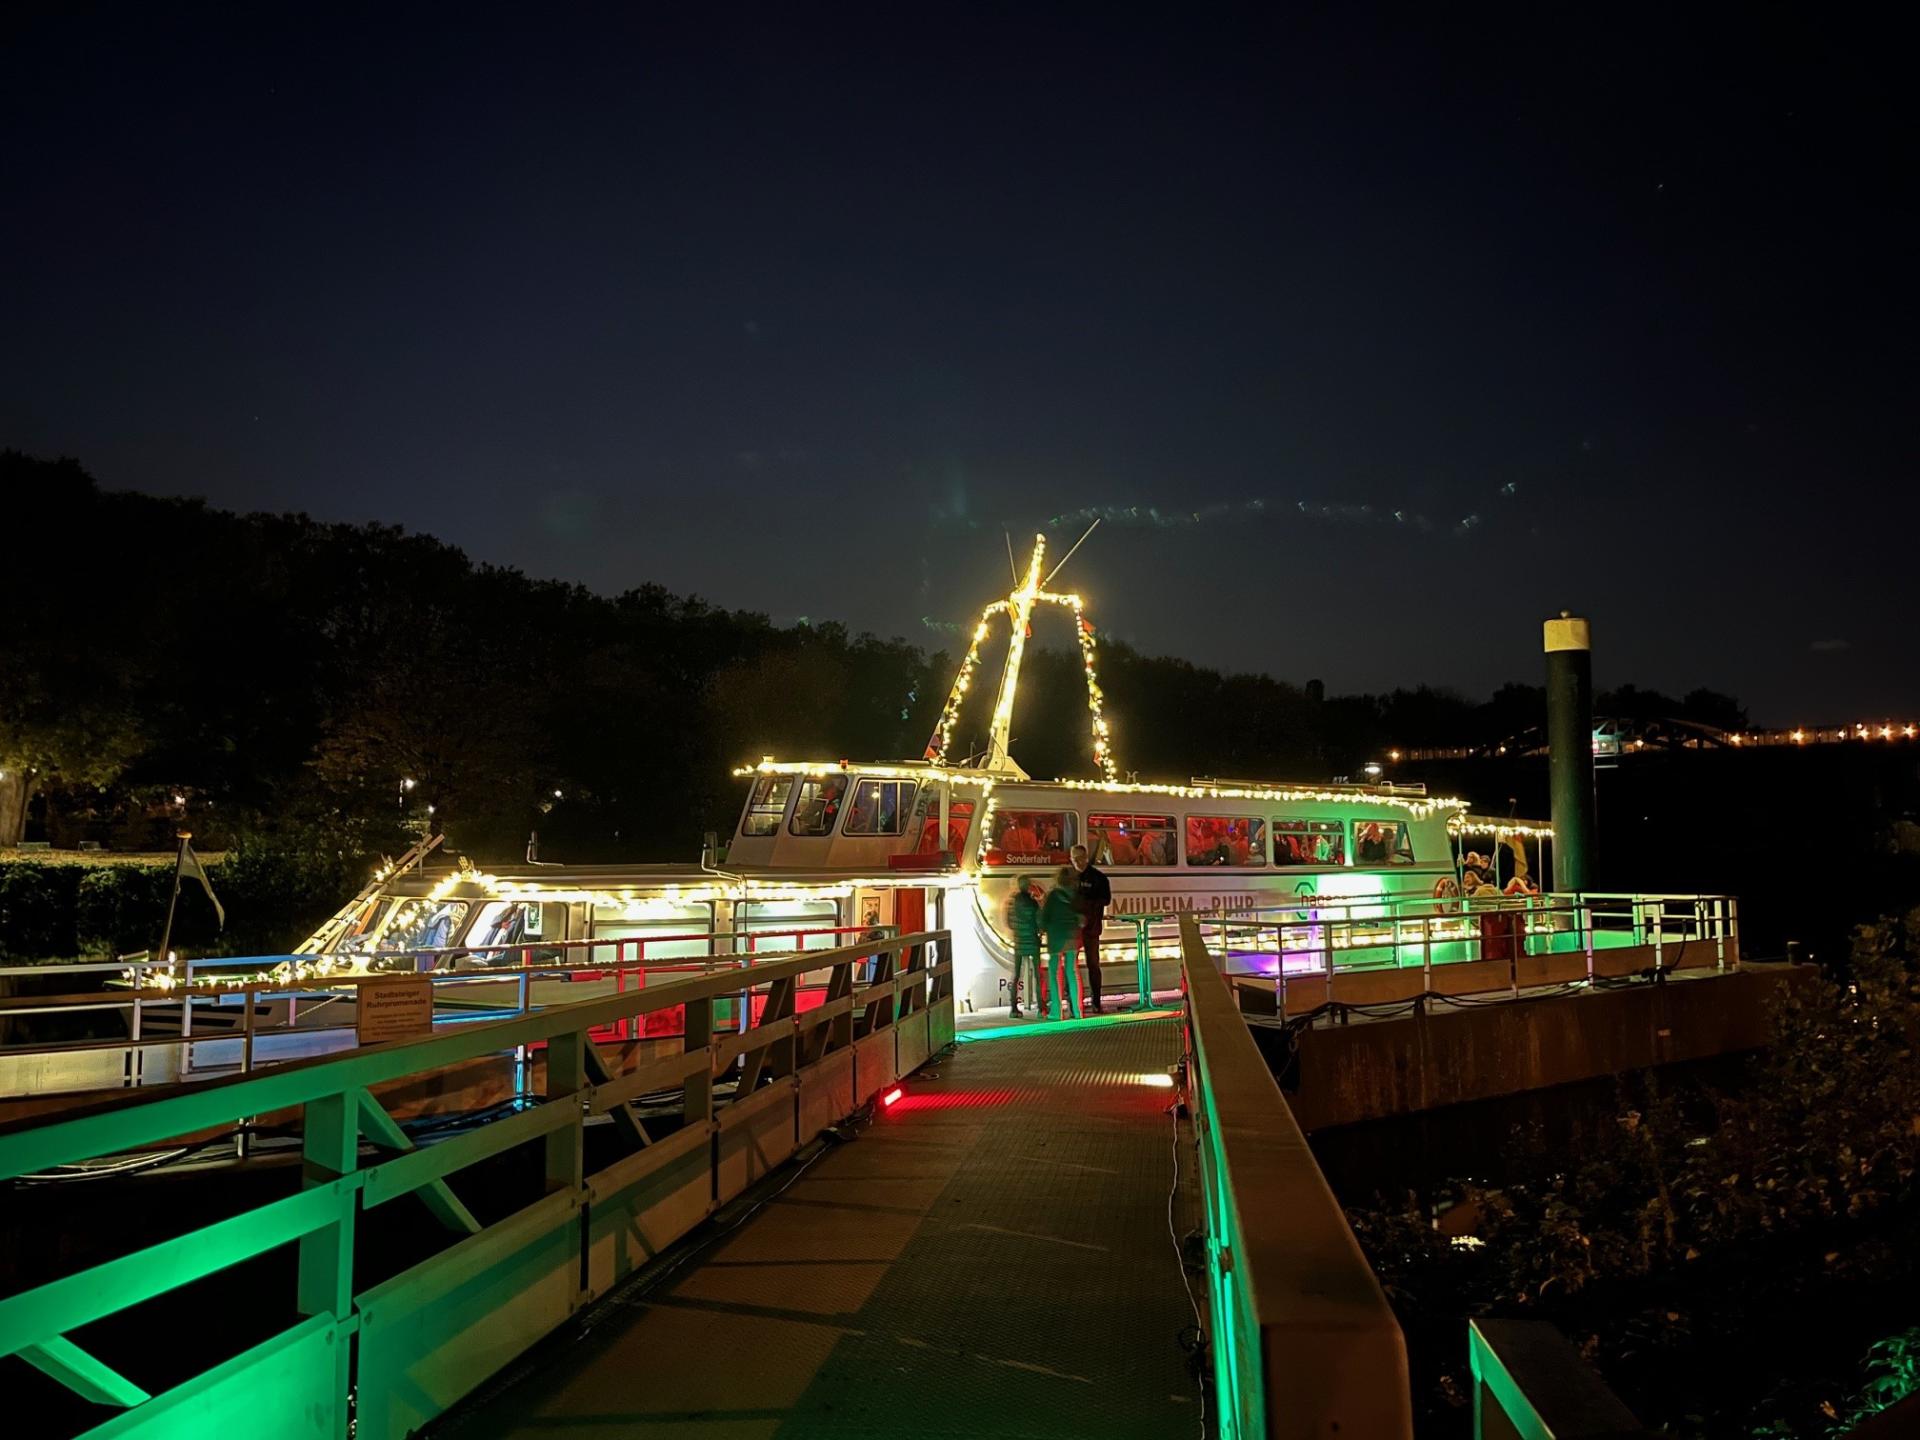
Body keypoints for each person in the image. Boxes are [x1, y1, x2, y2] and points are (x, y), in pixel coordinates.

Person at [1070, 843, 1112, 1013]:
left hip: (1091, 928)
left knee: (1093, 965)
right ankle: (1074, 1003)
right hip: (1073, 929)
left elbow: (1106, 899)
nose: (1077, 862)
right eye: (1074, 859)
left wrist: (1086, 907)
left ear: (1086, 858)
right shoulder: (1069, 877)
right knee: (1071, 967)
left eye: (1080, 858)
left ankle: (1096, 1001)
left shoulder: (1098, 878)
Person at [1042, 867, 1084, 1019]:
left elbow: (1044, 916)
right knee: (1072, 972)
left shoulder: (1053, 896)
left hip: (1056, 938)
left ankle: (1057, 1011)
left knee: (1054, 973)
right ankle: (1078, 1011)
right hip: (1072, 937)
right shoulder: (1076, 896)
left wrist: (1042, 928)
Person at [1007, 876, 1044, 1018]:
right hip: (1032, 942)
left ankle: (1013, 1008)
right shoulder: (1033, 903)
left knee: (1016, 975)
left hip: (1019, 942)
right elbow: (1039, 922)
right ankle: (1041, 1008)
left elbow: (1010, 923)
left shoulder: (1012, 903)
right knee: (1037, 975)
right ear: (1028, 886)